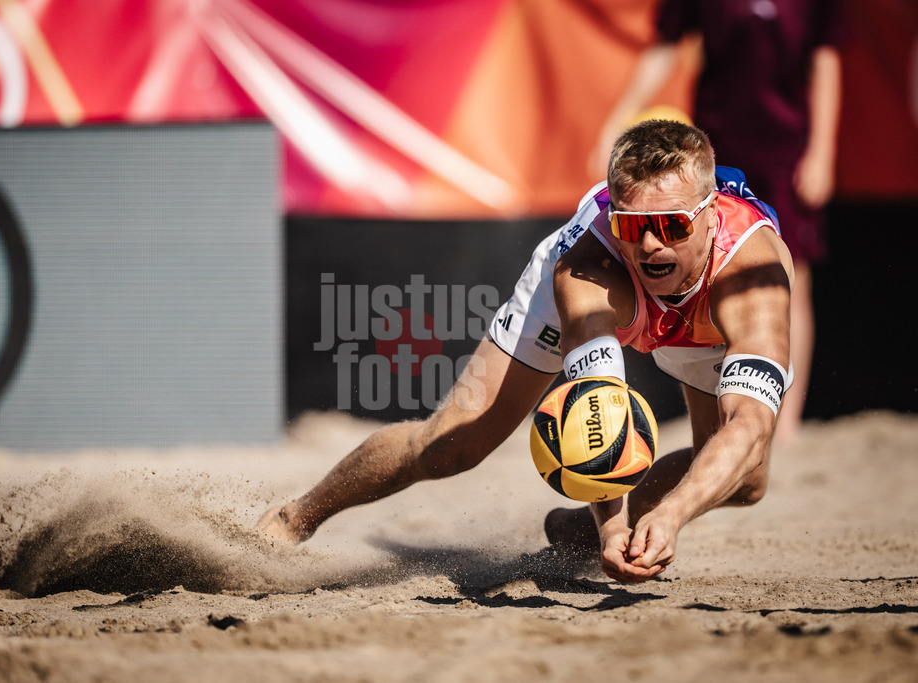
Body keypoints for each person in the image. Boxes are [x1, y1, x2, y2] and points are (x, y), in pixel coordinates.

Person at [256, 119, 793, 583]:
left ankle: (574, 528)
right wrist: (615, 530)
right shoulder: (588, 267)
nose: (651, 245)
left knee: (745, 480)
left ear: (708, 214)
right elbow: (596, 409)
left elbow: (750, 424)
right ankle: (294, 517)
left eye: (670, 226)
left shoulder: (753, 277)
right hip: (617, 300)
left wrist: (671, 514)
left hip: (702, 315)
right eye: (632, 225)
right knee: (451, 446)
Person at [588, 0, 844, 444]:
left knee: (790, 278)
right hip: (713, 149)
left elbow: (825, 57)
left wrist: (823, 151)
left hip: (787, 150)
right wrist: (616, 120)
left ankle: (785, 423)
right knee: (703, 272)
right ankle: (725, 415)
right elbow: (667, 45)